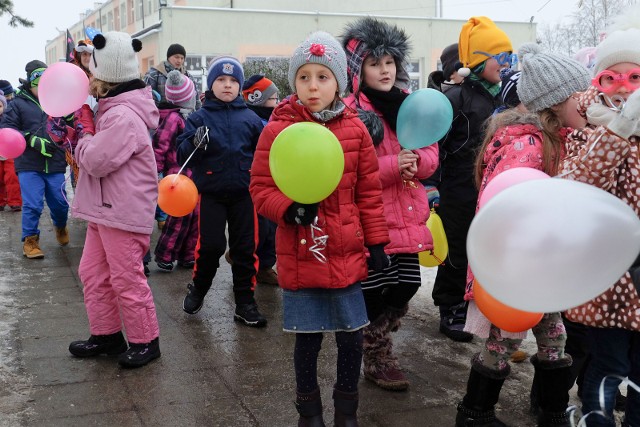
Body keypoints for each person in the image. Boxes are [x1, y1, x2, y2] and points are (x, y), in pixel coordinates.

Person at [250, 30, 390, 426]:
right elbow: (260, 187)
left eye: (323, 77)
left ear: (339, 82)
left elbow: (369, 192)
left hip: (346, 253)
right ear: (293, 82)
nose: (313, 86)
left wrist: (377, 243)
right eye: (304, 77)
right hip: (301, 253)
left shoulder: (356, 130)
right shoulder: (277, 130)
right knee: (307, 341)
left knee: (350, 339)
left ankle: (346, 411)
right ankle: (308, 413)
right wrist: (287, 209)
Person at [456, 43, 591, 427]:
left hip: (543, 264)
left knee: (554, 340)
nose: (589, 104)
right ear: (556, 102)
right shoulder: (526, 145)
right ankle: (474, 413)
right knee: (505, 340)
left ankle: (551, 412)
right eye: (581, 98)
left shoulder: (561, 138)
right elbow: (509, 206)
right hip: (514, 267)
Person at [341, 17, 438, 391]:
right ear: (359, 69)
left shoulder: (410, 104)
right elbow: (349, 168)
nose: (384, 70)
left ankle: (371, 335)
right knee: (375, 287)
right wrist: (391, 166)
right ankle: (378, 355)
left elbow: (431, 153)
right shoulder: (351, 110)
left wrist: (418, 161)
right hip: (372, 216)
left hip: (408, 211)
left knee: (408, 284)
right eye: (374, 63)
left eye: (389, 62)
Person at [560, 20, 640, 427]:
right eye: (612, 77)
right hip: (610, 275)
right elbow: (579, 185)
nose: (625, 87)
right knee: (609, 362)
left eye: (636, 77)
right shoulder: (585, 130)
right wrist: (620, 130)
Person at [67, 31, 161, 368]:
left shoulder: (122, 116)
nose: (88, 75)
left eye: (92, 69)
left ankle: (145, 341)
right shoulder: (113, 107)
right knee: (93, 272)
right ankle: (106, 335)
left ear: (105, 72)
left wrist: (85, 133)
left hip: (121, 211)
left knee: (126, 277)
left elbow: (94, 160)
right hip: (105, 210)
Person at [430, 17, 513, 342]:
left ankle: (477, 304)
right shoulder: (456, 98)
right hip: (458, 187)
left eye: (510, 57)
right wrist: (431, 183)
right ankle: (449, 306)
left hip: (493, 189)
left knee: (484, 248)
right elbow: (434, 144)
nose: (506, 64)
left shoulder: (505, 98)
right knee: (457, 246)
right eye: (500, 57)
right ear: (478, 61)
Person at [177, 55, 267, 327]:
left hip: (244, 195)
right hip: (212, 194)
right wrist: (194, 141)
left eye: (232, 81)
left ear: (240, 87)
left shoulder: (251, 119)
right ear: (211, 85)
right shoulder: (198, 117)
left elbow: (263, 155)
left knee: (245, 249)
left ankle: (245, 303)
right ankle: (199, 288)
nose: (227, 85)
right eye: (220, 80)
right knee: (211, 247)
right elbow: (182, 154)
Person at [2, 60, 69, 259]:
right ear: (30, 82)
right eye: (38, 84)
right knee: (32, 204)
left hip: (55, 162)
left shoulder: (58, 102)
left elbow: (69, 124)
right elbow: (7, 129)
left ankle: (60, 225)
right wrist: (31, 139)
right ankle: (30, 240)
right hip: (29, 164)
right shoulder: (16, 104)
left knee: (60, 203)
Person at [235, 74, 281, 286]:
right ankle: (249, 260)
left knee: (272, 227)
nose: (277, 102)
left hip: (276, 181)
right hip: (255, 182)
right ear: (257, 98)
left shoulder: (276, 119)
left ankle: (264, 264)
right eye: (273, 98)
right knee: (259, 229)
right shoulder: (251, 122)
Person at [153, 70, 199, 272]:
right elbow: (160, 145)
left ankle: (188, 254)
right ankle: (165, 254)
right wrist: (157, 171)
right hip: (177, 174)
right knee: (179, 218)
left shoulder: (190, 117)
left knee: (195, 217)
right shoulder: (173, 119)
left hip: (192, 175)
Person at [143, 43, 201, 110]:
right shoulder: (154, 74)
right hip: (161, 116)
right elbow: (146, 98)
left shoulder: (188, 77)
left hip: (185, 116)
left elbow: (196, 100)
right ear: (168, 57)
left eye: (182, 58)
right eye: (176, 57)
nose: (179, 60)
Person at [0, 89, 22, 212]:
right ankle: (1, 201)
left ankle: (15, 201)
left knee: (12, 177)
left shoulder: (8, 118)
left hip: (9, 154)